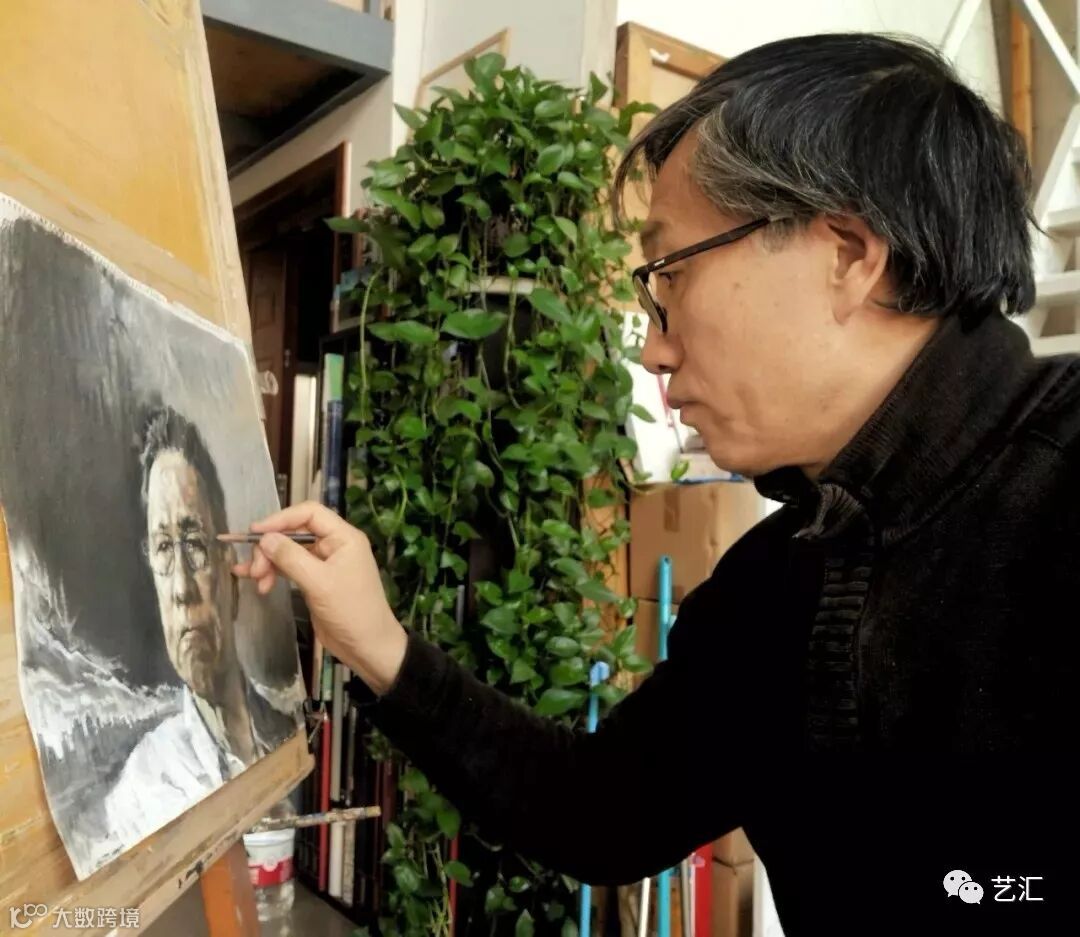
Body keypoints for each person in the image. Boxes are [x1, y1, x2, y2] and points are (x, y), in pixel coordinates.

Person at [235, 35, 1077, 936]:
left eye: (671, 273)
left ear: (846, 253)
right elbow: (602, 809)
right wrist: (380, 646)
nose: (654, 348)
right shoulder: (776, 581)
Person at [102, 406, 298, 841]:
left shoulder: (285, 733)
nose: (181, 588)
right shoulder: (141, 791)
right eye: (163, 548)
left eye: (194, 543)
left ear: (230, 566)